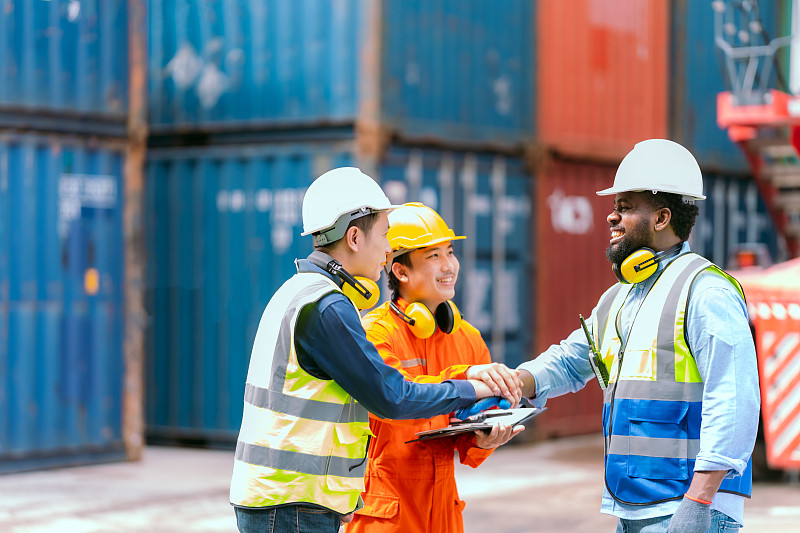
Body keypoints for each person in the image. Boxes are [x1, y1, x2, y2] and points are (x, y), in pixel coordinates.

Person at [229, 167, 521, 533]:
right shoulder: (327, 307)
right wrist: (472, 385)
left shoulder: (300, 292)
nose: (386, 250)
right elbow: (392, 397)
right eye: (384, 236)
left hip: (292, 499)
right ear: (354, 237)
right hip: (293, 502)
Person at [517, 139, 759, 533]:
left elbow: (734, 400)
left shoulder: (706, 291)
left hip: (692, 505)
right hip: (633, 505)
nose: (612, 218)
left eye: (625, 207)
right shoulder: (620, 296)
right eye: (615, 208)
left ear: (662, 217)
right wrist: (509, 382)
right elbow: (569, 361)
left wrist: (699, 502)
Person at [346, 203, 525, 533]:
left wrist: (485, 441)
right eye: (433, 257)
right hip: (385, 514)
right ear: (401, 272)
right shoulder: (374, 333)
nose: (449, 266)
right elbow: (397, 399)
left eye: (450, 252)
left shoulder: (467, 338)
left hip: (444, 513)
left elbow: (467, 443)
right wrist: (463, 377)